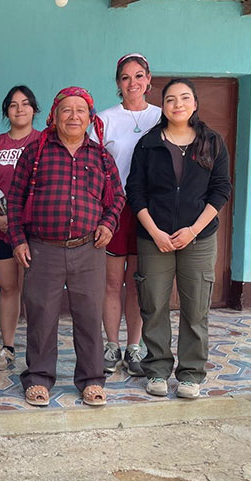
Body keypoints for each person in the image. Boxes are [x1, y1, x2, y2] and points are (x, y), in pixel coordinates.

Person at [6, 87, 126, 408]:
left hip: (88, 249)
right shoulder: (36, 152)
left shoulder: (100, 156)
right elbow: (15, 200)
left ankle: (91, 380)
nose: (73, 116)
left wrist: (108, 224)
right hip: (42, 248)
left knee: (89, 315)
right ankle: (39, 378)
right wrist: (18, 240)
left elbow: (117, 198)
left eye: (80, 111)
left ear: (89, 118)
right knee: (41, 316)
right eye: (66, 110)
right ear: (55, 117)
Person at [126, 78, 231, 399]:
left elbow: (221, 190)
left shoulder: (212, 142)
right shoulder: (148, 144)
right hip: (153, 238)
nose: (178, 104)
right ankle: (156, 369)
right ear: (164, 106)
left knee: (195, 306)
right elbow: (135, 191)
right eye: (170, 99)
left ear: (195, 104)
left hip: (198, 238)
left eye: (184, 98)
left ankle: (191, 373)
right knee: (153, 303)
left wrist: (193, 230)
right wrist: (155, 232)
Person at [91, 53, 161, 376]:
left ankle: (134, 346)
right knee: (111, 281)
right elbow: (91, 166)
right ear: (118, 83)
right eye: (125, 77)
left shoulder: (163, 117)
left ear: (148, 79)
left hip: (149, 210)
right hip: (114, 210)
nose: (132, 83)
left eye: (138, 76)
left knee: (137, 282)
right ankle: (111, 344)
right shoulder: (104, 119)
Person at [0, 85, 41, 371]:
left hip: (32, 230)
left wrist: (21, 219)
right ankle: (8, 347)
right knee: (8, 288)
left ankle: (39, 350)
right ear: (6, 110)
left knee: (34, 290)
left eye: (25, 103)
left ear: (34, 109)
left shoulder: (44, 142)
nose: (19, 109)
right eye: (14, 104)